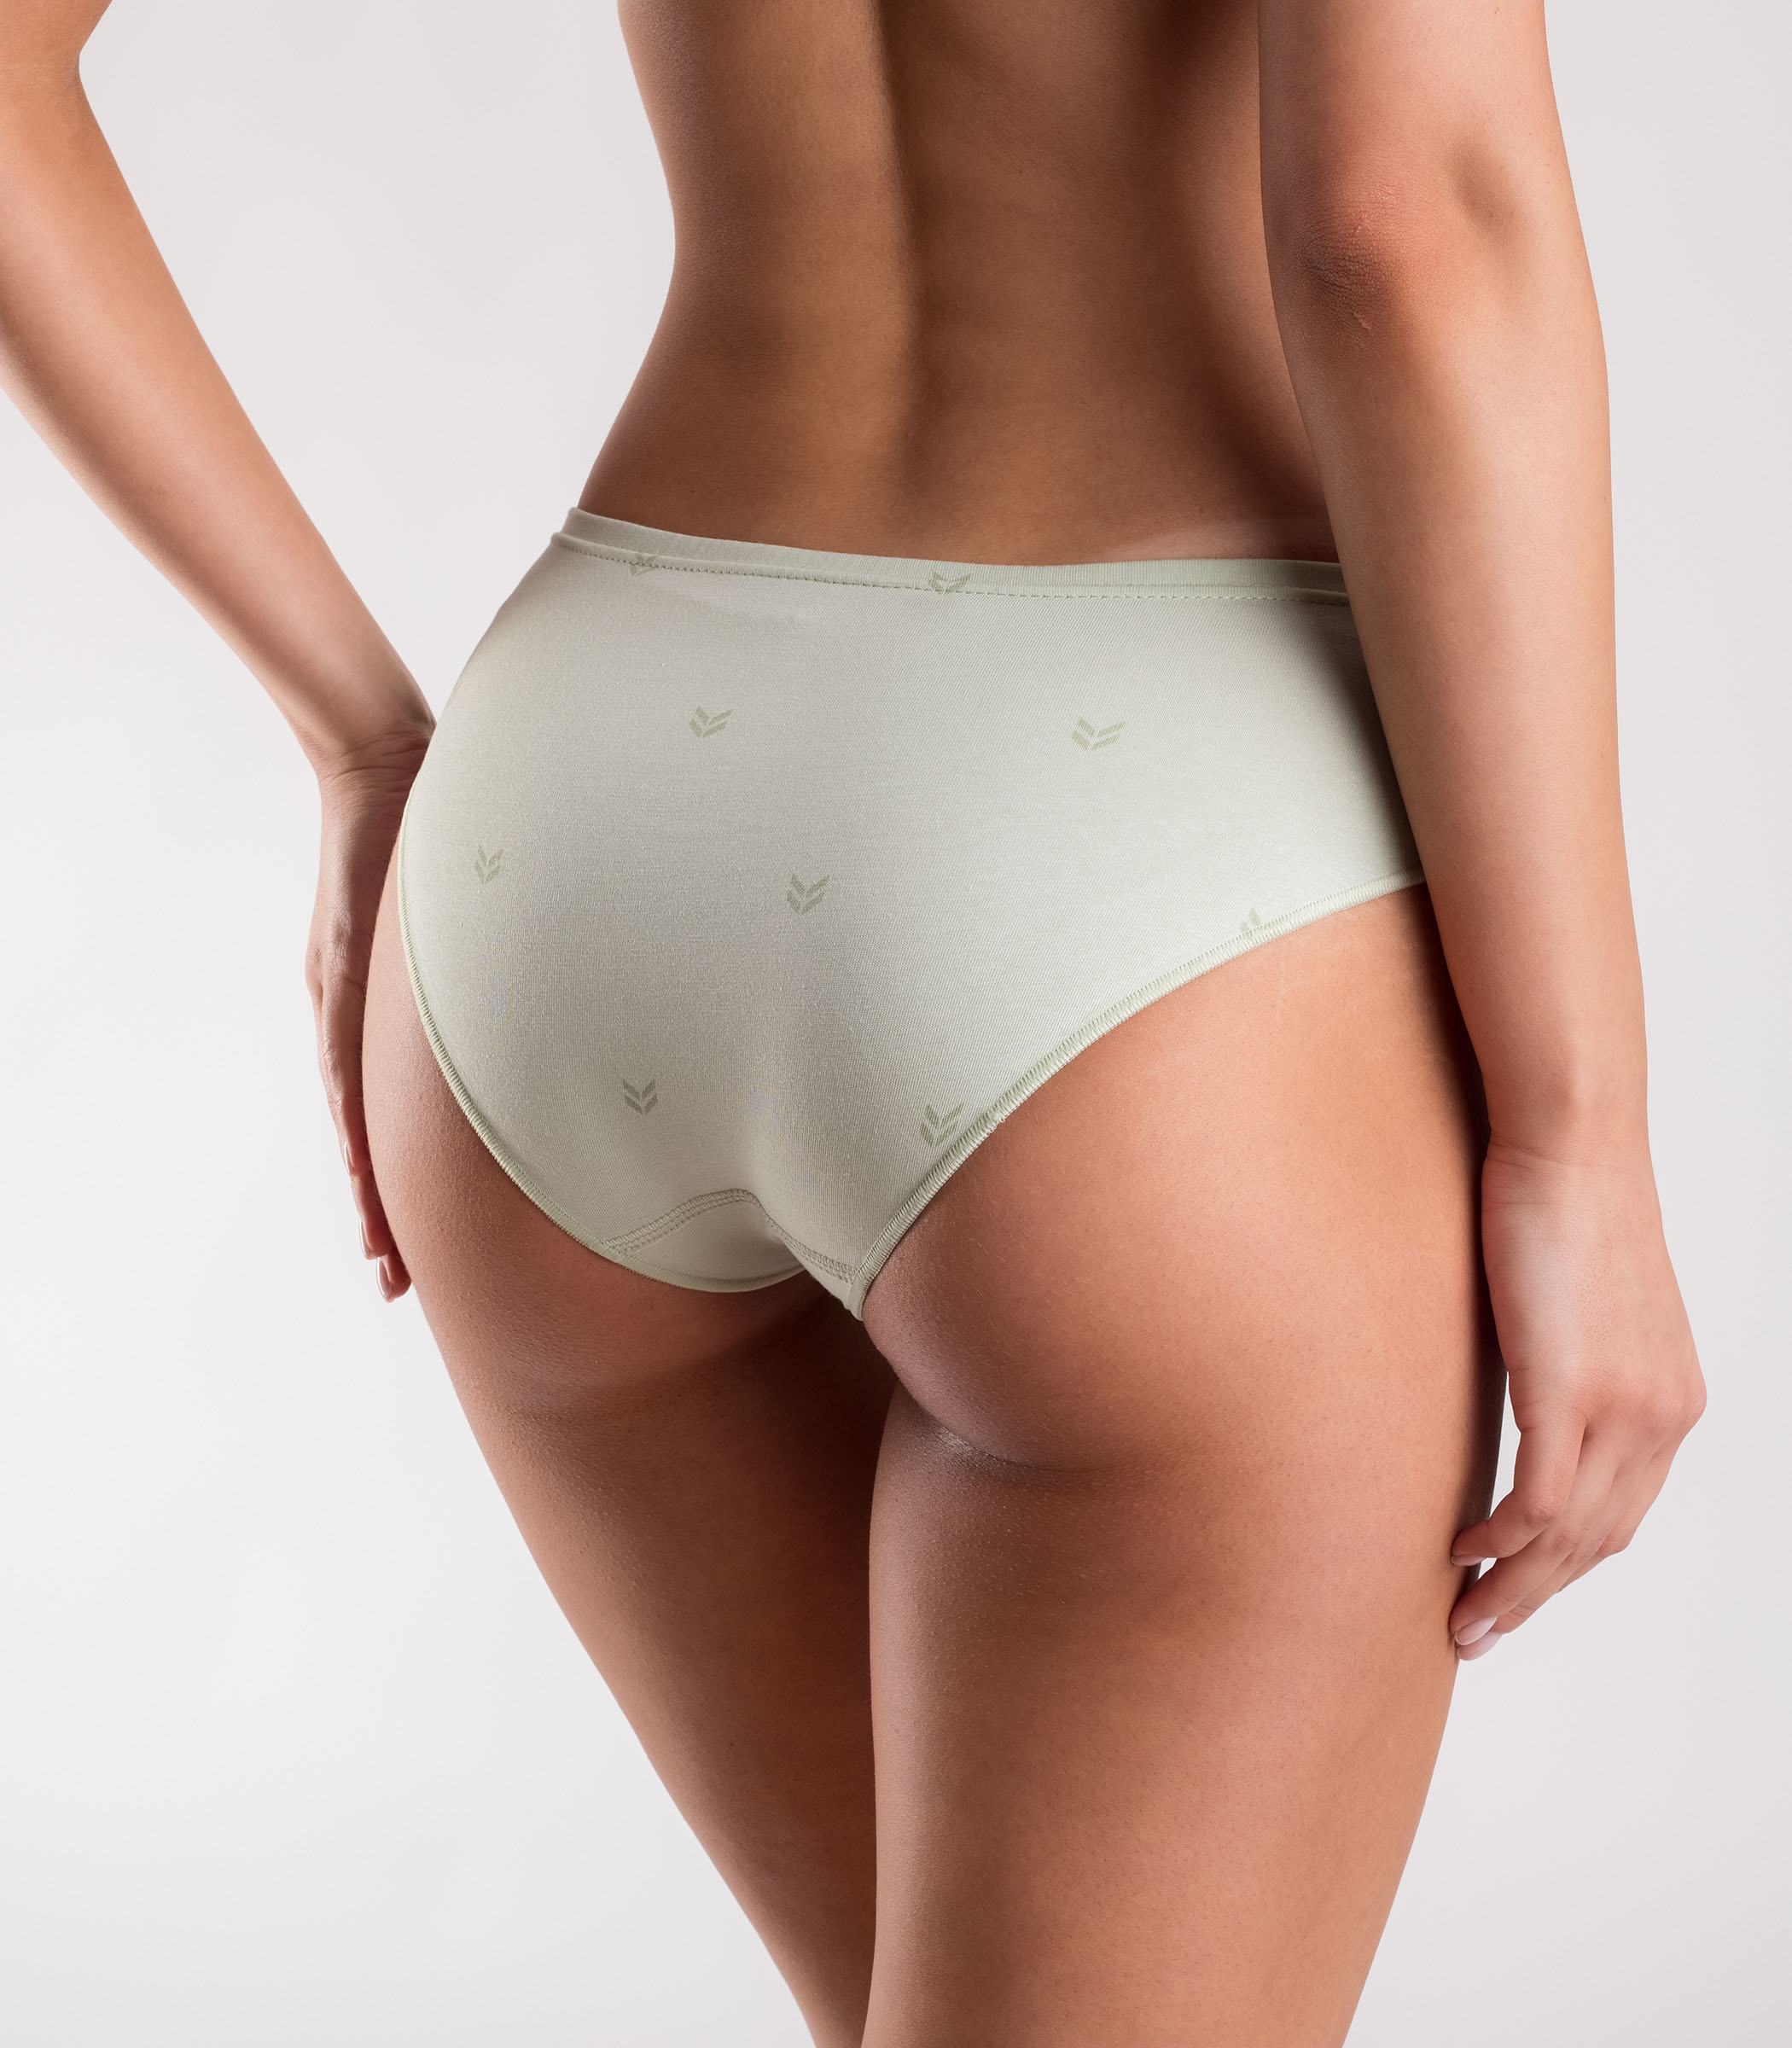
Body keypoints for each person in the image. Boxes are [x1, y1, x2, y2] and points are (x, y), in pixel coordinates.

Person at [0, 3, 1706, 2042]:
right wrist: (1578, 1132)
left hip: (581, 806)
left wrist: (362, 744)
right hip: (1140, 862)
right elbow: (1400, 219)